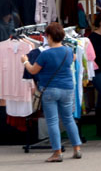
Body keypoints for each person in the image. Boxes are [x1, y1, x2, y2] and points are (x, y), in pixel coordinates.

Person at [21, 22, 81, 162]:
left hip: (49, 90)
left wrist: (25, 61)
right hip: (67, 88)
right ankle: (77, 148)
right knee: (68, 119)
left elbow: (33, 70)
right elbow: (74, 59)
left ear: (48, 36)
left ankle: (57, 152)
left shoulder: (45, 54)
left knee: (52, 121)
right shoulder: (68, 51)